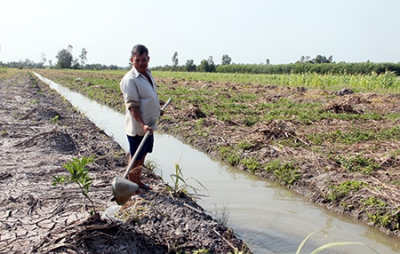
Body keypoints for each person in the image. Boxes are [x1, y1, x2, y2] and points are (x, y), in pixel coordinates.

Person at [119, 44, 163, 190]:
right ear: (132, 60)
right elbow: (132, 105)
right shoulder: (129, 80)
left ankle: (137, 182)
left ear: (148, 59)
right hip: (138, 126)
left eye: (143, 60)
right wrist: (143, 124)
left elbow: (149, 98)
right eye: (137, 60)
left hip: (149, 124)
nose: (141, 63)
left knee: (143, 154)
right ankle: (131, 186)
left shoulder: (147, 73)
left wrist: (157, 111)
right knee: (135, 157)